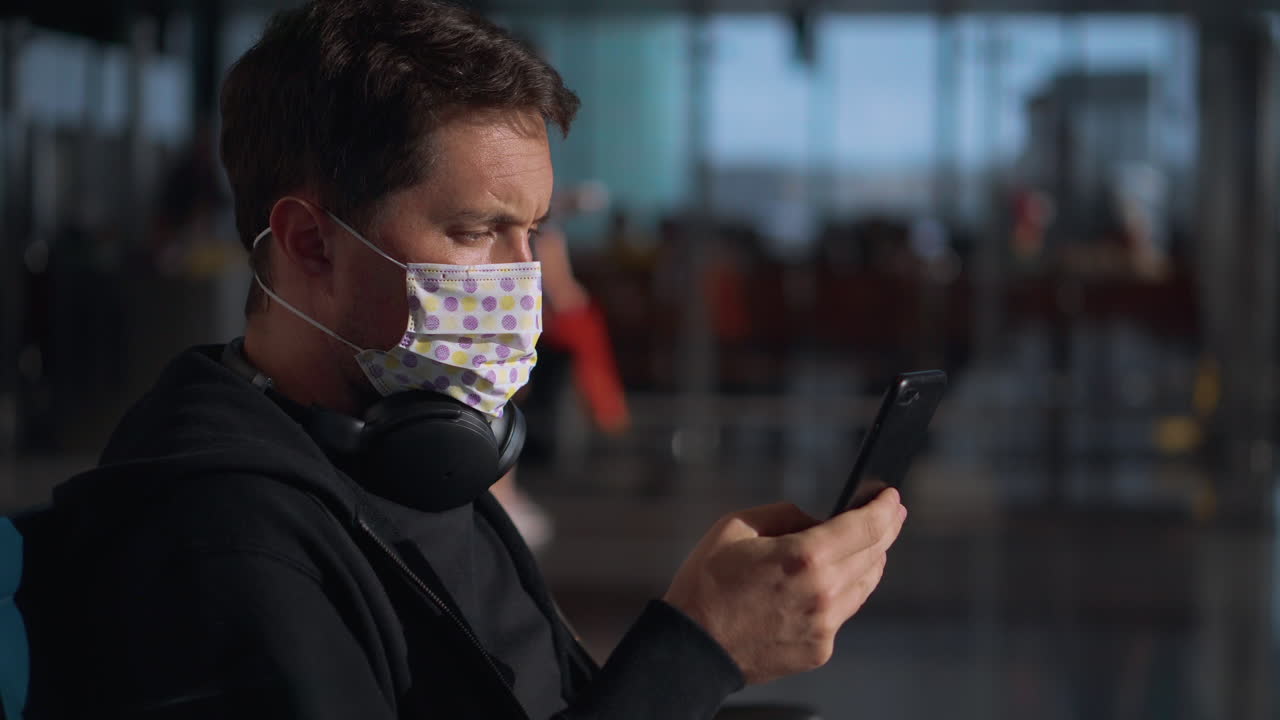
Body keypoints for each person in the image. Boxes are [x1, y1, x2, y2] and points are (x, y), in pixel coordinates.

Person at [47, 2, 907, 718]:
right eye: (474, 231)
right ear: (312, 243)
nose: (526, 277)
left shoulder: (408, 463)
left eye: (532, 229)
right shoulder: (218, 542)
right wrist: (697, 652)